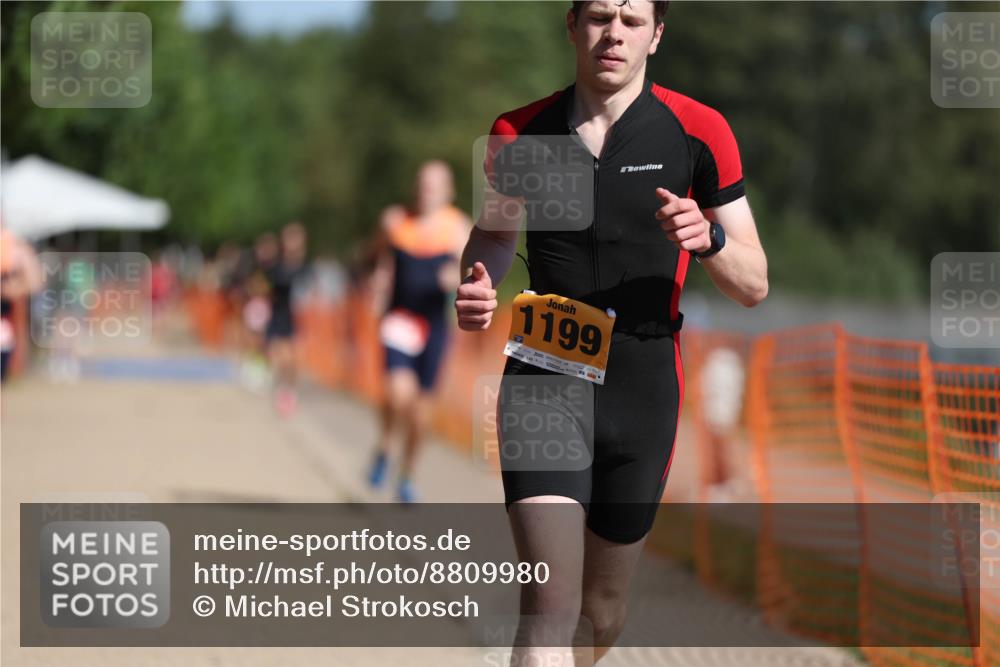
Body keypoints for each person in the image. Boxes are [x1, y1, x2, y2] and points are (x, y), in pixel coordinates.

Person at [456, 1, 768, 663]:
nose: (614, 33)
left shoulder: (698, 131)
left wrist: (708, 238)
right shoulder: (519, 132)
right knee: (549, 605)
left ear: (656, 34)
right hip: (546, 377)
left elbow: (754, 282)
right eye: (600, 15)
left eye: (631, 19)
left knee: (599, 614)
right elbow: (491, 233)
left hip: (645, 387)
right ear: (572, 25)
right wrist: (479, 279)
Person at [366, 160, 471, 503]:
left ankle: (407, 472)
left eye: (434, 185)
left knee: (420, 413)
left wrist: (455, 279)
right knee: (399, 394)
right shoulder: (395, 221)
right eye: (422, 184)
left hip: (434, 327)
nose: (426, 191)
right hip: (399, 318)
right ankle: (384, 445)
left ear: (447, 191)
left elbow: (473, 274)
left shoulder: (457, 228)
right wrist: (379, 280)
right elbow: (377, 257)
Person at [265, 222, 311, 416]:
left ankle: (289, 392)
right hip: (279, 316)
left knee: (292, 360)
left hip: (298, 320)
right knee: (280, 358)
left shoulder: (306, 268)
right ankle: (283, 391)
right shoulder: (277, 268)